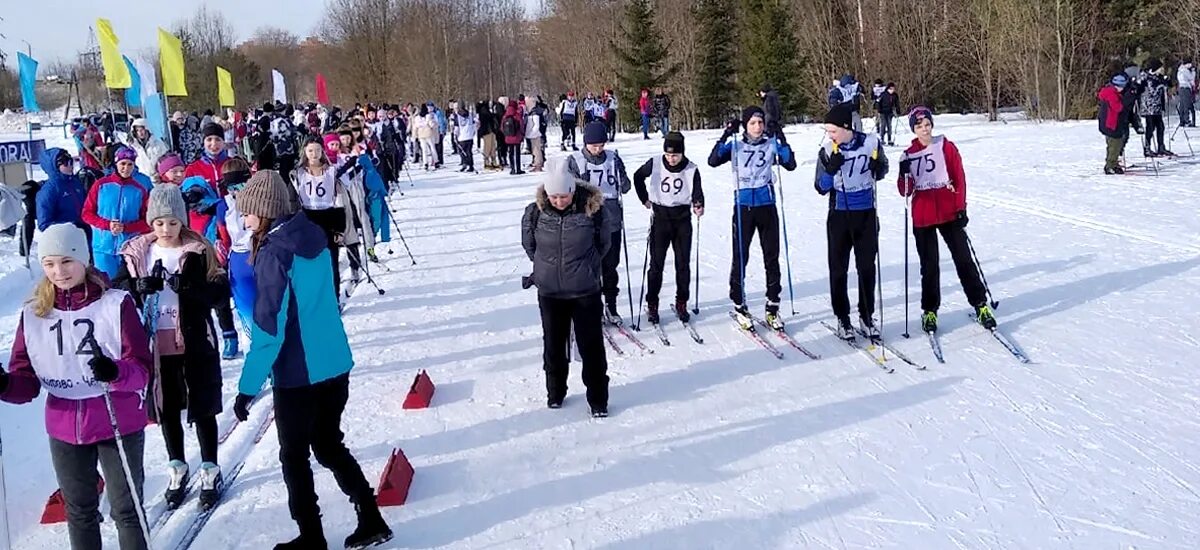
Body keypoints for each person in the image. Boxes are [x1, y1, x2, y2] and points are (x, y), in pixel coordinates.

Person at [231, 171, 393, 549]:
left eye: (249, 213)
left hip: (299, 372)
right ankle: (370, 516)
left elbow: (270, 329)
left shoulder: (275, 253)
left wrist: (246, 388)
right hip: (334, 361)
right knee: (328, 444)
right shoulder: (312, 236)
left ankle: (311, 536)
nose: (244, 220)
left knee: (294, 457)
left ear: (267, 211)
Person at [1, 222, 151, 550]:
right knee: (79, 511)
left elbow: (142, 370)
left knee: (126, 510)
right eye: (49, 263)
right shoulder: (34, 313)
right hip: (64, 426)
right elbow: (25, 384)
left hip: (117, 420)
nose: (59, 271)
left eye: (67, 261)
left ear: (83, 259)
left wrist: (115, 371)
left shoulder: (116, 304)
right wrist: (4, 384)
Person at [113, 184, 227, 511]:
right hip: (156, 342)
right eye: (160, 222)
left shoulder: (197, 249)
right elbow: (117, 287)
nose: (166, 229)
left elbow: (220, 292)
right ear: (151, 222)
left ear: (182, 221)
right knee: (167, 407)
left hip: (194, 338)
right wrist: (135, 286)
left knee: (203, 404)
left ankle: (210, 466)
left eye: (173, 222)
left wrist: (192, 289)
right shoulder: (138, 252)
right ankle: (177, 464)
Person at [520, 160, 611, 417]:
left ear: (573, 190)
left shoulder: (592, 211)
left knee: (591, 346)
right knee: (553, 344)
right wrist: (545, 268)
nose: (558, 201)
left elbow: (603, 245)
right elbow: (529, 244)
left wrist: (588, 268)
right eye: (553, 196)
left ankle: (598, 399)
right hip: (550, 291)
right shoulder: (535, 212)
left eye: (563, 195)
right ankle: (555, 392)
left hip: (584, 290)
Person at [896, 107, 995, 333]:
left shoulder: (946, 146)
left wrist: (961, 208)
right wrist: (904, 173)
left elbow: (959, 177)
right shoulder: (908, 154)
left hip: (949, 212)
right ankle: (930, 311)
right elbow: (905, 191)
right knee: (929, 266)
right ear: (913, 128)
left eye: (927, 124)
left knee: (963, 259)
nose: (924, 129)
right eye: (919, 126)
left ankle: (980, 304)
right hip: (923, 215)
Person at [707, 106, 797, 330]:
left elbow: (790, 163)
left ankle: (773, 305)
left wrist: (781, 137)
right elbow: (713, 160)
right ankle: (739, 302)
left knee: (771, 257)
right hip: (743, 206)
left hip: (766, 205)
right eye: (753, 123)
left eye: (760, 123)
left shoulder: (770, 143)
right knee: (740, 256)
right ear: (746, 126)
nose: (757, 127)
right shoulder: (736, 145)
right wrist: (726, 133)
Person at [814, 102, 888, 340]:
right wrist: (831, 171)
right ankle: (842, 318)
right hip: (839, 214)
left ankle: (866, 317)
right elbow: (820, 187)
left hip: (866, 213)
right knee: (838, 269)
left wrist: (879, 168)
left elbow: (882, 170)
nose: (830, 135)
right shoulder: (827, 150)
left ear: (847, 127)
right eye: (828, 131)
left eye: (833, 130)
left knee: (867, 267)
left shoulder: (871, 142)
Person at [632, 132, 704, 324]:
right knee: (656, 265)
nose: (671, 159)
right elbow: (638, 177)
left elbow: (697, 190)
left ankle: (682, 302)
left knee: (683, 264)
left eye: (675, 155)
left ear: (682, 153)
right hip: (660, 219)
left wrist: (698, 203)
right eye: (668, 155)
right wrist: (644, 198)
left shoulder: (691, 168)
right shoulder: (655, 163)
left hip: (682, 220)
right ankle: (652, 304)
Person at [566, 121, 632, 323]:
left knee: (610, 266)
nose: (598, 149)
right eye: (594, 146)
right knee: (589, 269)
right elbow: (568, 191)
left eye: (601, 145)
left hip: (611, 220)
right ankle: (592, 307)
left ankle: (611, 307)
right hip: (586, 222)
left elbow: (626, 186)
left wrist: (620, 175)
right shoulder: (575, 161)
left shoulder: (613, 158)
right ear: (585, 143)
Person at [82, 147, 152, 279]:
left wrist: (126, 228)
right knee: (105, 286)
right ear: (116, 164)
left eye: (130, 164)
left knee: (127, 288)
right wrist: (107, 225)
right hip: (103, 247)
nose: (126, 168)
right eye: (123, 164)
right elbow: (87, 213)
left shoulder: (139, 190)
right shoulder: (101, 185)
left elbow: (147, 221)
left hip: (129, 248)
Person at [293, 139, 350, 297]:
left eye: (317, 150)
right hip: (308, 217)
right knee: (311, 260)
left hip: (328, 216)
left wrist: (340, 228)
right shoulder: (298, 173)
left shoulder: (331, 171)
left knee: (331, 260)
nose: (314, 154)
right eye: (310, 150)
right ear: (305, 152)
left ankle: (334, 295)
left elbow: (339, 201)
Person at [215, 158, 256, 329]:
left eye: (240, 186)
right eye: (232, 188)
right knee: (247, 313)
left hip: (261, 255)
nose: (237, 192)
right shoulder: (223, 205)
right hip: (239, 260)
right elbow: (224, 238)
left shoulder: (261, 198)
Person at [36, 149, 89, 240]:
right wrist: (69, 227)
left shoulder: (75, 183)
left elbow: (86, 206)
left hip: (83, 235)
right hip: (63, 240)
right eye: (65, 163)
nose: (70, 165)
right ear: (55, 166)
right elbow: (44, 223)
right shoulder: (49, 189)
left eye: (71, 161)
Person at [1098, 73, 1131, 174]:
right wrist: (1127, 99)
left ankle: (1114, 163)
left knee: (1114, 145)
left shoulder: (1110, 92)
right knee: (1114, 146)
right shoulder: (1112, 94)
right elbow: (1118, 108)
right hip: (1111, 124)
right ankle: (1110, 165)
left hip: (1109, 124)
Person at [1137, 59, 1171, 157]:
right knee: (1150, 128)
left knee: (1160, 127)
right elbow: (1151, 90)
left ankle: (1161, 147)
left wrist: (1167, 81)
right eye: (1160, 68)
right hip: (1148, 107)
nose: (1162, 69)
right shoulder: (1145, 77)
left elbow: (1169, 85)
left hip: (1157, 106)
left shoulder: (1158, 77)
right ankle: (1147, 148)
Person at [501, 101, 527, 175]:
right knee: (517, 153)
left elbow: (502, 127)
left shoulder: (505, 116)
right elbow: (521, 125)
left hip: (508, 137)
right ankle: (518, 169)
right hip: (517, 137)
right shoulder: (517, 115)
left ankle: (512, 168)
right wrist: (522, 133)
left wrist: (506, 134)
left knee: (510, 153)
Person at [455, 103, 478, 173]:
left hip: (462, 137)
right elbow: (474, 124)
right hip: (469, 136)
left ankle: (464, 163)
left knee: (462, 151)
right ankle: (471, 165)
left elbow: (457, 127)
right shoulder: (470, 115)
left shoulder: (458, 116)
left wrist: (455, 135)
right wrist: (473, 132)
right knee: (469, 152)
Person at [525, 107, 545, 172]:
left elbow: (536, 126)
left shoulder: (535, 115)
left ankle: (538, 165)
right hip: (532, 135)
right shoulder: (532, 114)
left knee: (537, 150)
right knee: (535, 150)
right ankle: (537, 163)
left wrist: (531, 133)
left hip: (535, 135)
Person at [1177, 59, 1196, 127]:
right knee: (1187, 104)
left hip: (1181, 88)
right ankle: (1186, 120)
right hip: (1186, 88)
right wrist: (1193, 72)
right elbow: (1191, 77)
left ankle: (1182, 120)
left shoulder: (1180, 70)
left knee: (1182, 104)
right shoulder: (1185, 70)